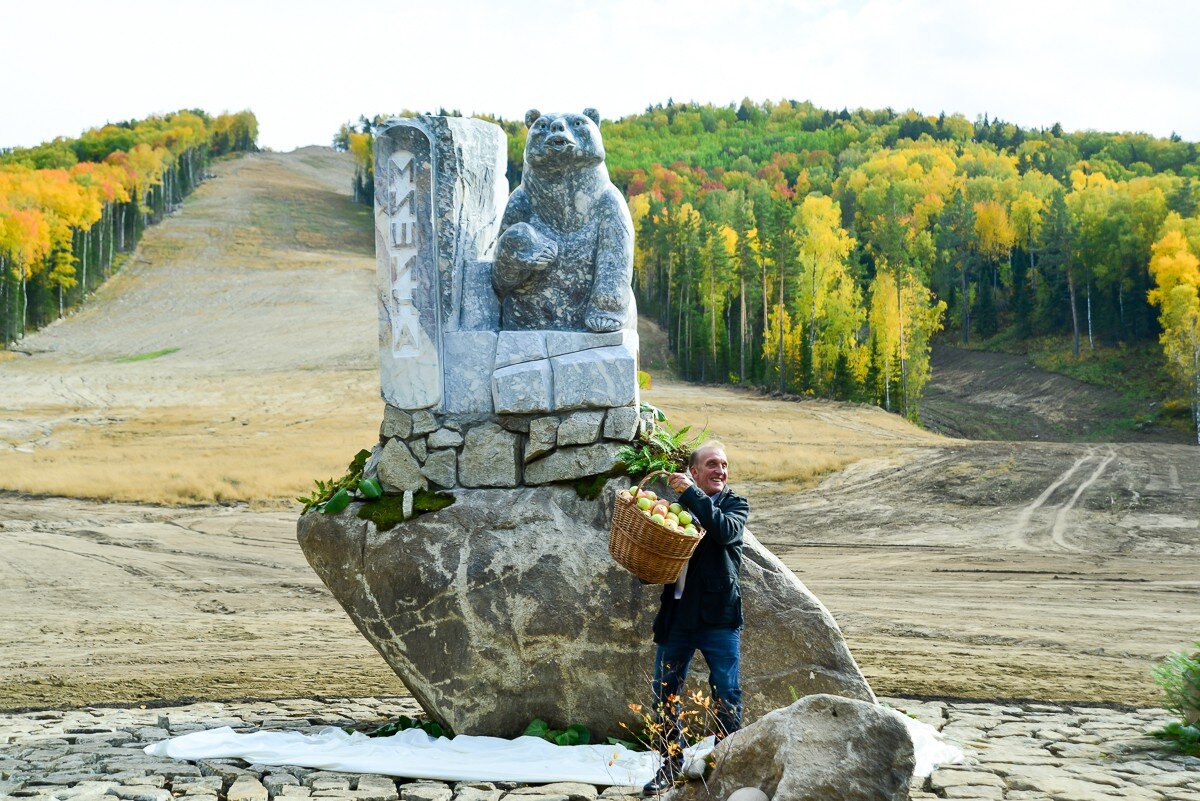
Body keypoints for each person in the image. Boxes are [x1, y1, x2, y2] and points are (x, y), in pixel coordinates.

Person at [642, 442, 749, 796]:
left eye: (724, 465)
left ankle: (725, 766)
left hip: (719, 618)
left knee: (726, 692)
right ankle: (669, 765)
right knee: (665, 693)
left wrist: (690, 494)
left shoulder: (734, 505)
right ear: (695, 471)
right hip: (677, 617)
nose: (721, 470)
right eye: (712, 464)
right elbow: (657, 557)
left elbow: (723, 532)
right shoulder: (674, 507)